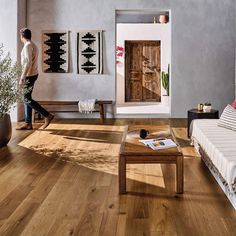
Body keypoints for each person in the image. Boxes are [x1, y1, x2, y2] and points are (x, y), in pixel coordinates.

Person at [16, 28, 54, 130]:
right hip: (33, 74)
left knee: (26, 98)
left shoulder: (28, 46)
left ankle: (47, 115)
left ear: (22, 37)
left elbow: (28, 62)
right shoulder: (33, 45)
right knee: (27, 98)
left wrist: (22, 77)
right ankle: (28, 123)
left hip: (29, 75)